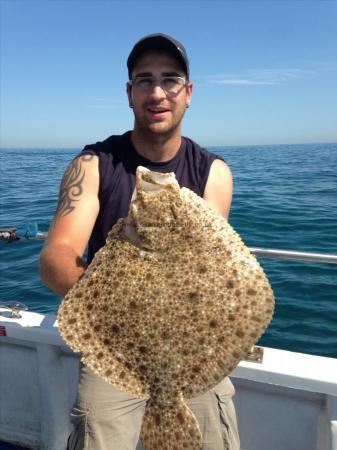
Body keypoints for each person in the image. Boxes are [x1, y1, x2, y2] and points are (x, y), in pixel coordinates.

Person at [40, 33, 240, 450]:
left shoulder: (212, 171)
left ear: (188, 93)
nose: (158, 91)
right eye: (144, 80)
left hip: (193, 345)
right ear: (129, 93)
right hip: (113, 342)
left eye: (170, 80)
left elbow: (217, 272)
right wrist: (123, 309)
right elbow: (57, 258)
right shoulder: (94, 164)